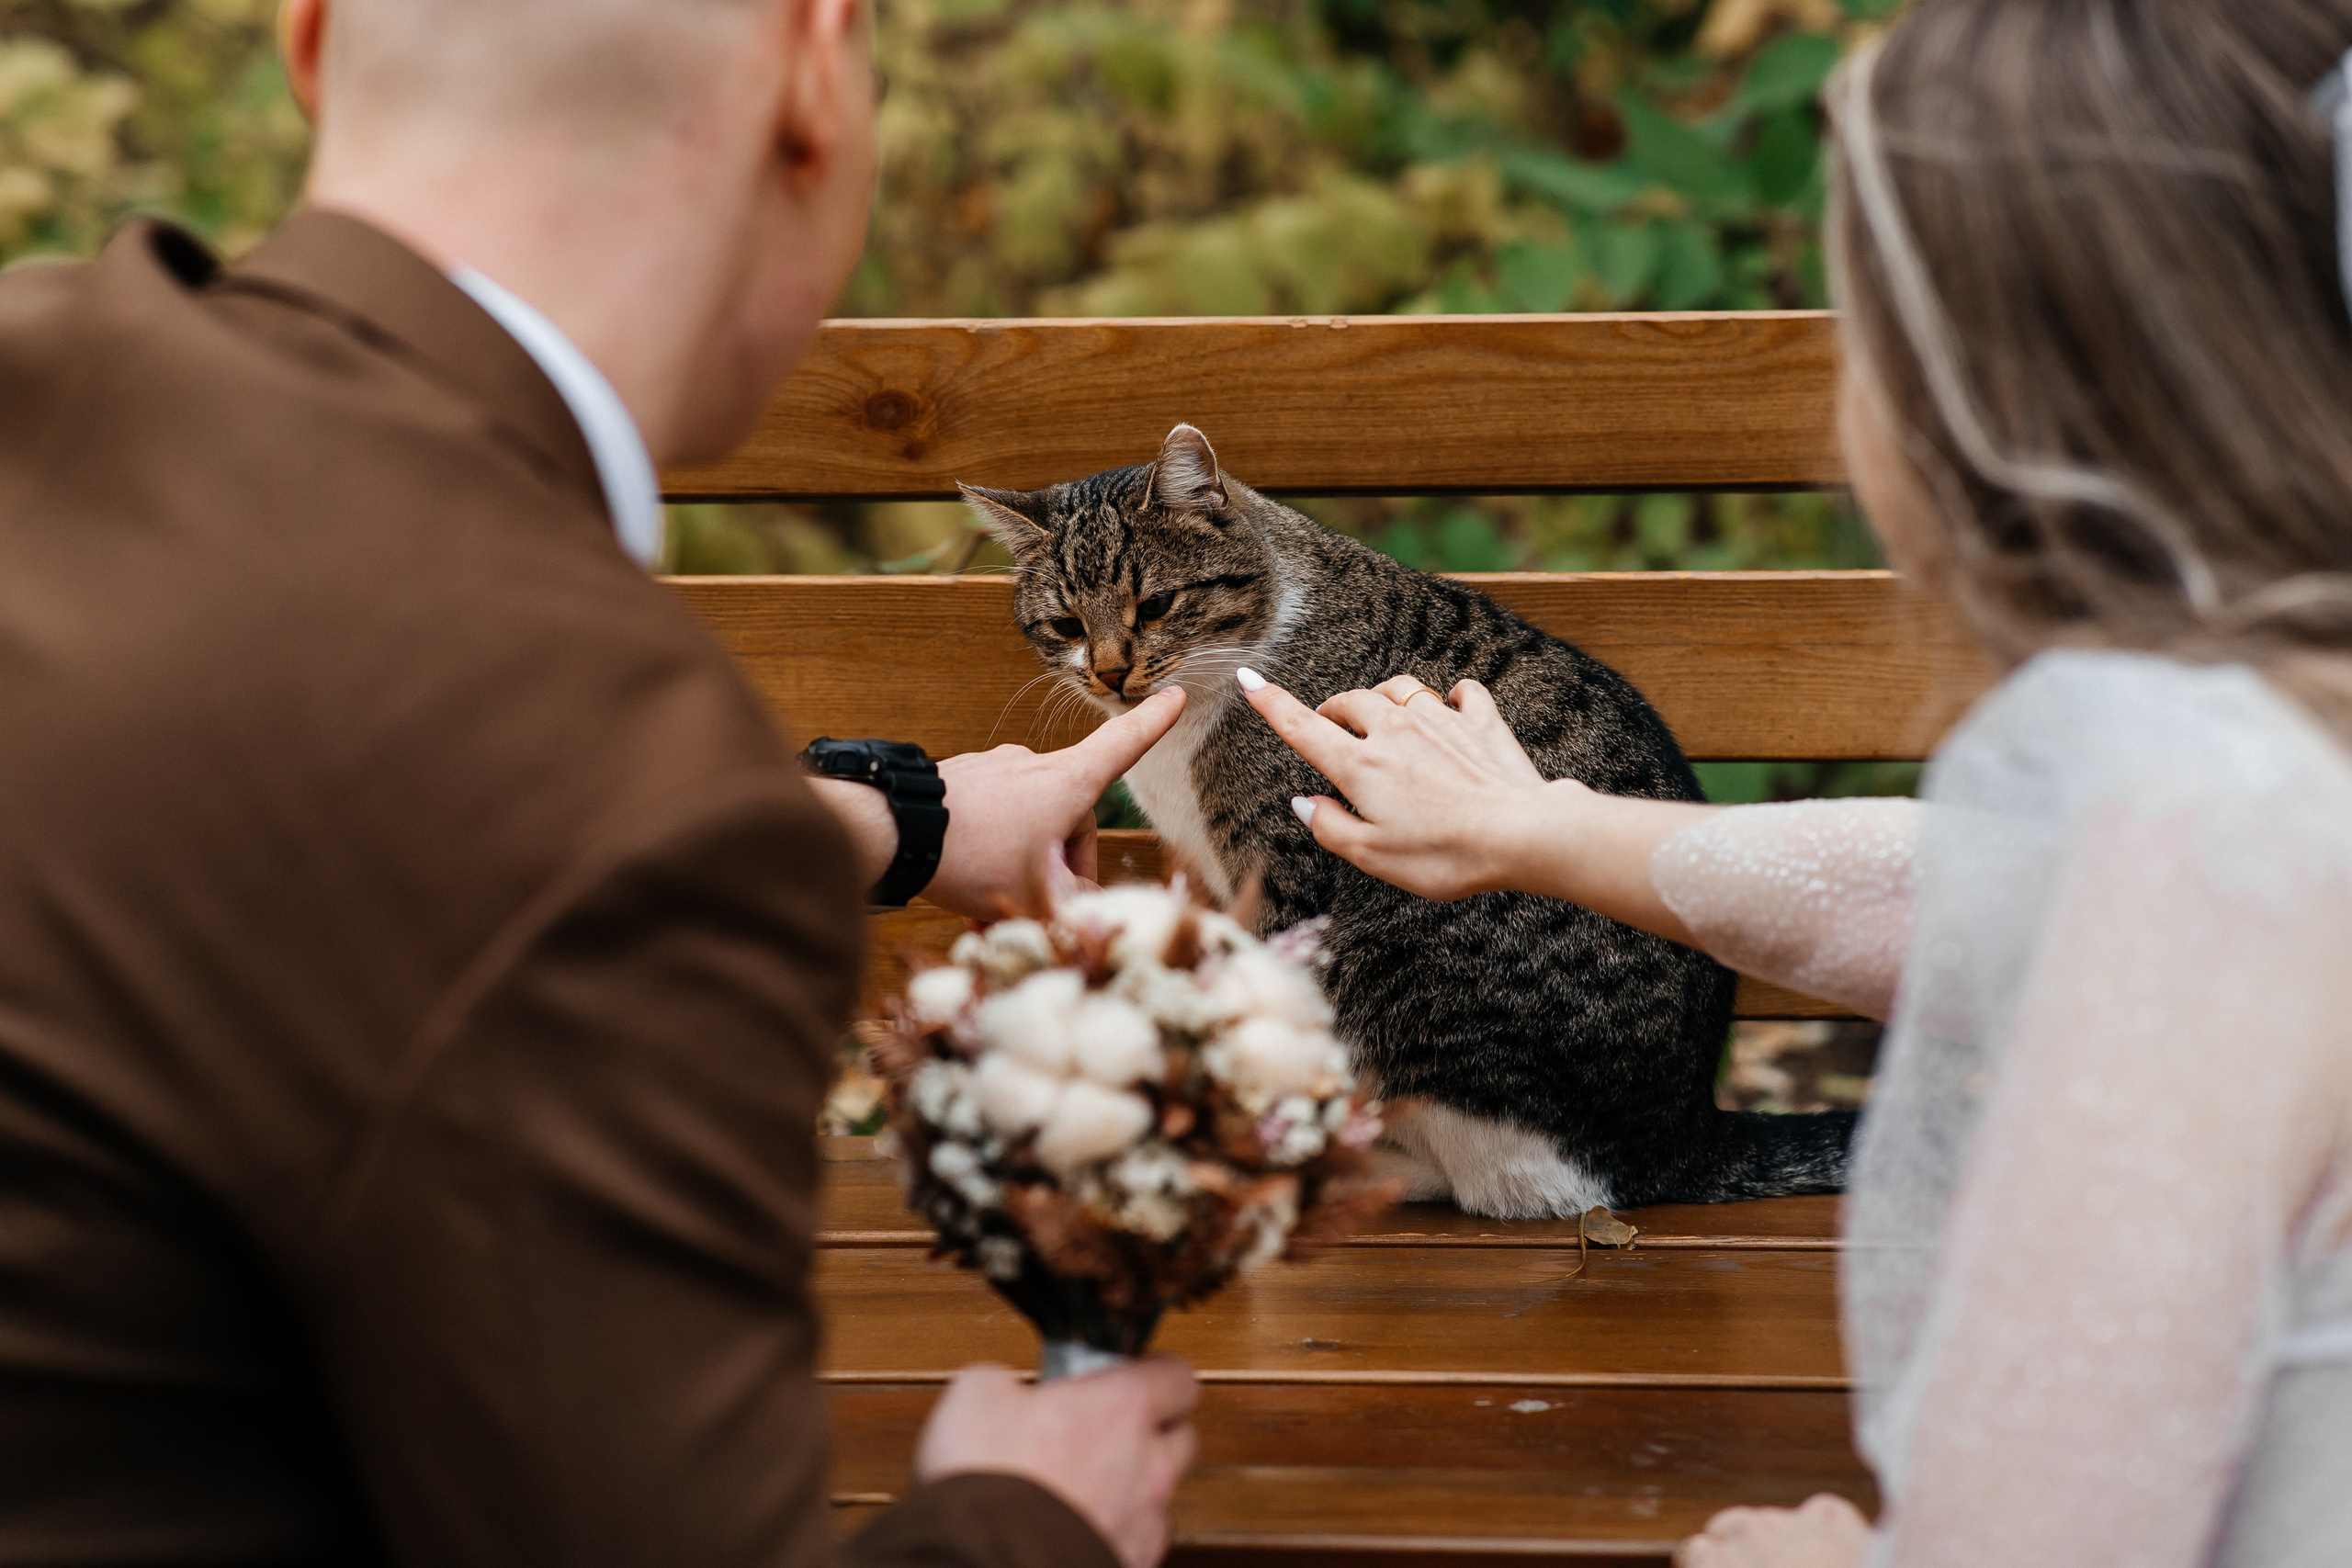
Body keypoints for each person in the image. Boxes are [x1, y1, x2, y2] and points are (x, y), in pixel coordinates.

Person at [0, 0, 1198, 1564]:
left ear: (308, 43)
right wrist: (1025, 1518)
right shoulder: (600, 772)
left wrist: (886, 821)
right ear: (815, 78)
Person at [1235, 2, 2352, 1564]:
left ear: (1978, 405)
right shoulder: (2287, 745)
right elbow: (1971, 886)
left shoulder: (2194, 817)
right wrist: (1545, 828)